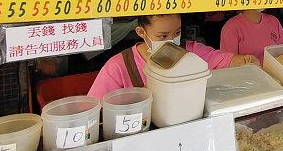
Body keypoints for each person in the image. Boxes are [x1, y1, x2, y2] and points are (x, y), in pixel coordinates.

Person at [88, 13, 256, 100]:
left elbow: (225, 61)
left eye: (176, 33)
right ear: (141, 32)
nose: (171, 41)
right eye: (162, 36)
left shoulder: (191, 51)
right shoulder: (119, 66)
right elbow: (99, 110)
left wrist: (245, 60)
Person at [219, 9, 283, 66]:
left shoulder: (273, 21)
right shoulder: (231, 27)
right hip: (248, 79)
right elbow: (229, 63)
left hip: (275, 77)